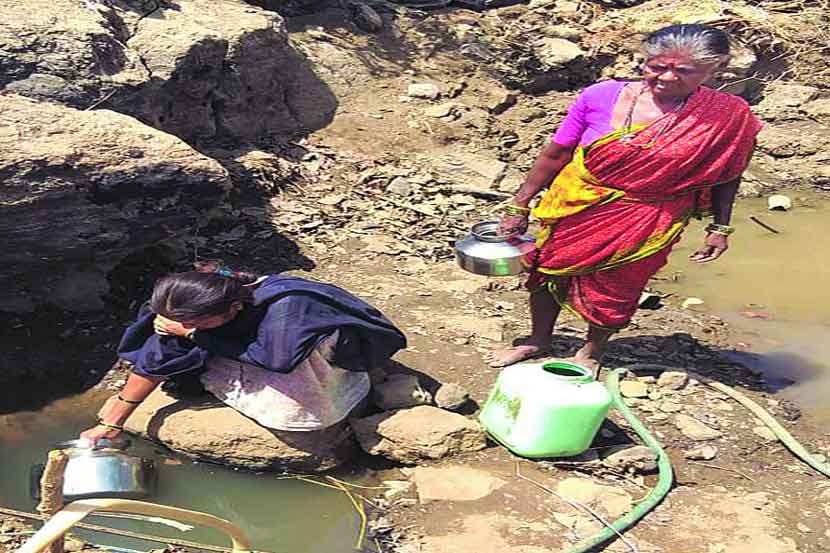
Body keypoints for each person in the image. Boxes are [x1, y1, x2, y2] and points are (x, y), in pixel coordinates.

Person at [486, 24, 762, 371]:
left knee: (620, 285)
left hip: (650, 215)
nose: (665, 77)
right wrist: (520, 203)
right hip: (577, 202)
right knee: (546, 269)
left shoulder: (728, 116)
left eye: (683, 71)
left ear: (716, 68)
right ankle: (538, 339)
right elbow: (556, 154)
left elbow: (727, 175)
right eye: (656, 66)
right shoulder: (600, 96)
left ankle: (590, 352)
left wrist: (720, 227)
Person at [81, 261, 406, 442]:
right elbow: (157, 358)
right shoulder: (184, 305)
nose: (182, 325)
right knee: (175, 340)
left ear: (234, 308)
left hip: (320, 354)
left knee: (297, 403)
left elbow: (279, 361)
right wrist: (113, 422)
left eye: (199, 323)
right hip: (261, 342)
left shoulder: (287, 307)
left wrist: (194, 333)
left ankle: (341, 398)